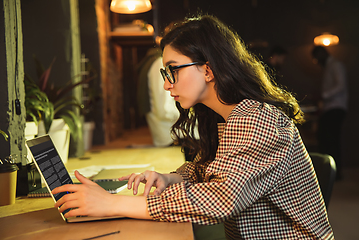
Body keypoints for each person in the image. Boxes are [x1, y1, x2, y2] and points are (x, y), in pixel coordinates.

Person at [53, 15, 334, 239]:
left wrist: (112, 204)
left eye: (173, 70)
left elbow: (219, 200)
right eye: (165, 73)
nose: (166, 83)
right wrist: (171, 179)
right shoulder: (225, 117)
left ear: (208, 70)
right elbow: (207, 168)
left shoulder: (259, 119)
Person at [312, 46, 348, 180]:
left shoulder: (336, 65)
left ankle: (334, 173)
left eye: (316, 58)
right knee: (326, 139)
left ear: (321, 54)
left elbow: (341, 85)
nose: (316, 61)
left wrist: (323, 95)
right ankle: (329, 172)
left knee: (331, 140)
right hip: (329, 108)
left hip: (336, 108)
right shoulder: (328, 67)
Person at [137, 42, 179, 147]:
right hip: (170, 136)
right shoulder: (159, 63)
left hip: (167, 133)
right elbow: (164, 110)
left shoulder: (152, 60)